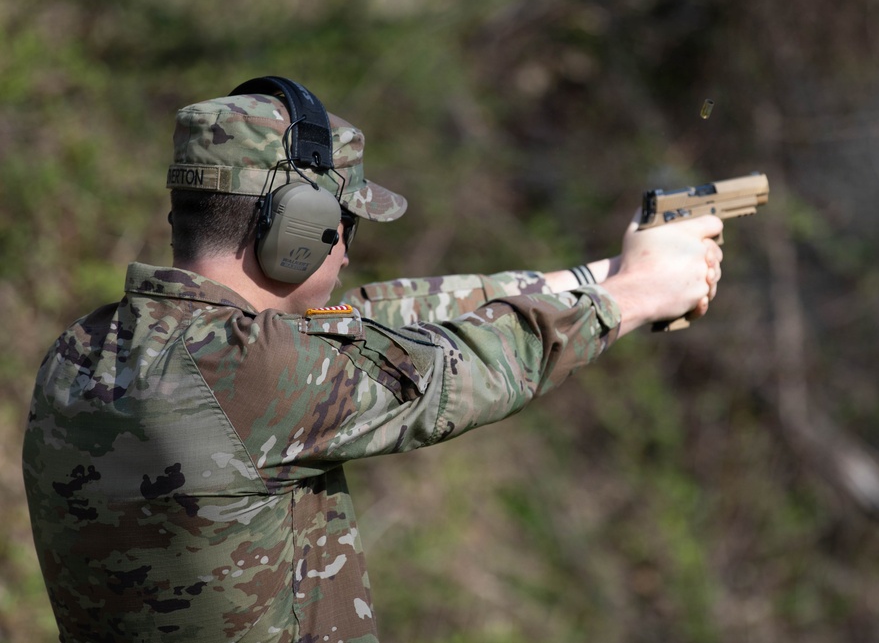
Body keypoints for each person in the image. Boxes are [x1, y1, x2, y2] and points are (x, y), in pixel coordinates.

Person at [22, 76, 723, 643]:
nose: (347, 250)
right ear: (295, 229)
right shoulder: (251, 374)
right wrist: (635, 295)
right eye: (342, 227)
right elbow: (458, 368)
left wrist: (594, 278)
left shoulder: (85, 353)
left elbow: (375, 317)